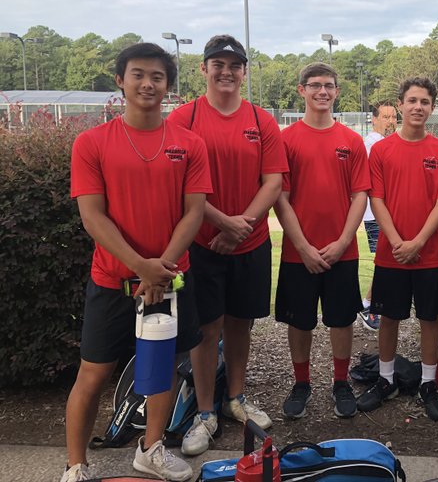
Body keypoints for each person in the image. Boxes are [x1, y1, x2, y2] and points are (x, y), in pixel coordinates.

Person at [63, 43, 212, 482]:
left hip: (169, 282)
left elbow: (194, 211)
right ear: (120, 81)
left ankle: (151, 450)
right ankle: (75, 465)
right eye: (138, 74)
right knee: (93, 373)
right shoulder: (92, 142)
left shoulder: (189, 144)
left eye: (157, 77)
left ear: (168, 85)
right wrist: (139, 266)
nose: (148, 84)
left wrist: (160, 268)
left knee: (163, 366)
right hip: (112, 281)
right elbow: (93, 216)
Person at [168, 35, 287, 456]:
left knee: (240, 323)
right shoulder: (183, 118)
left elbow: (272, 180)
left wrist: (242, 226)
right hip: (201, 243)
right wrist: (220, 222)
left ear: (243, 72)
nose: (226, 72)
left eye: (234, 65)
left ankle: (235, 397)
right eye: (217, 64)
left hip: (249, 242)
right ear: (203, 69)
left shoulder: (262, 120)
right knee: (206, 329)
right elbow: (179, 183)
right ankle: (204, 412)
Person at [356, 76, 438, 422]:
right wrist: (399, 242)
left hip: (429, 254)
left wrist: (417, 242)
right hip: (391, 253)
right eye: (411, 100)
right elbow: (377, 200)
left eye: (424, 102)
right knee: (389, 318)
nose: (417, 107)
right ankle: (385, 380)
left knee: (429, 319)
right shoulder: (381, 150)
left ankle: (429, 383)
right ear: (399, 105)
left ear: (432, 107)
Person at [273, 62, 370, 419]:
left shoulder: (351, 140)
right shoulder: (286, 140)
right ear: (302, 90)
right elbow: (280, 196)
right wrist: (302, 246)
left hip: (341, 251)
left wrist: (344, 240)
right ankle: (301, 383)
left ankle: (341, 382)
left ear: (336, 91)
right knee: (300, 321)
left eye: (329, 85)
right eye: (315, 85)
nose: (322, 92)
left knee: (341, 320)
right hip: (299, 252)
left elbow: (360, 194)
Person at [359, 101, 398, 331]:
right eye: (385, 117)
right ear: (373, 119)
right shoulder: (372, 143)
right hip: (374, 212)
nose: (390, 121)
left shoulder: (385, 143)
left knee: (386, 260)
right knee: (385, 261)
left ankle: (369, 304)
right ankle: (369, 305)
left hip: (382, 211)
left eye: (393, 117)